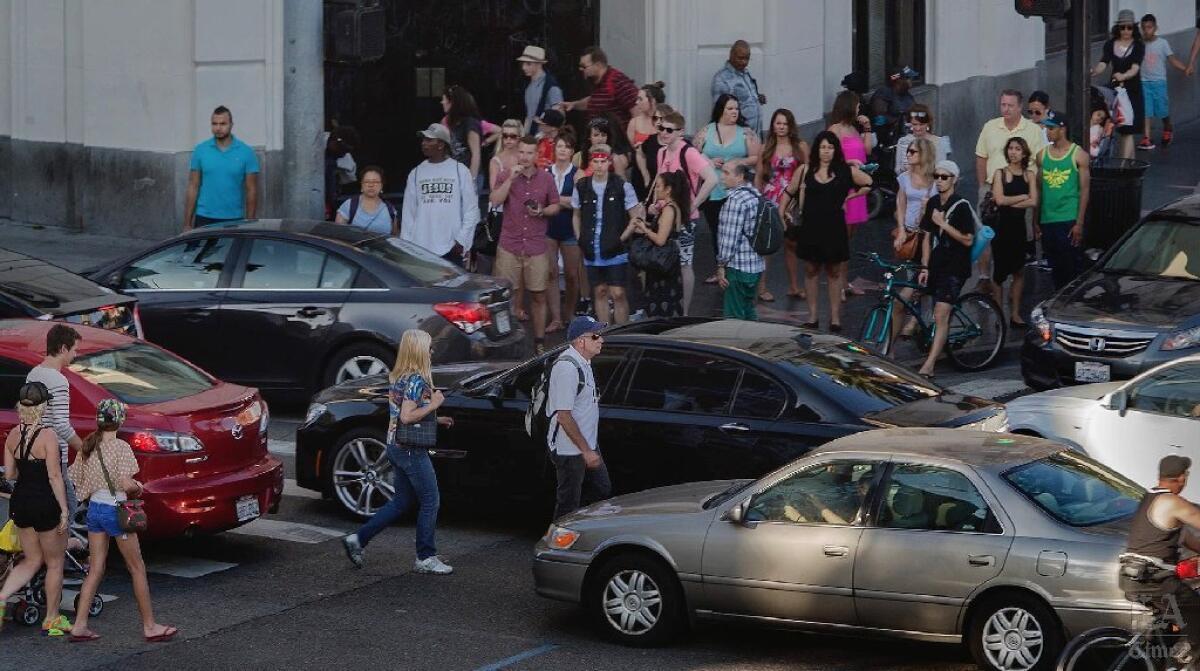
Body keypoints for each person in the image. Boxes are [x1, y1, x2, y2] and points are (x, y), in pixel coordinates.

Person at [342, 330, 454, 574]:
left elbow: (401, 415)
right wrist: (434, 405)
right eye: (428, 348)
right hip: (411, 450)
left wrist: (435, 418)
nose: (432, 352)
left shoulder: (400, 376)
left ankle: (358, 539)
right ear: (418, 351)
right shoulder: (417, 380)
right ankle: (425, 557)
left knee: (401, 501)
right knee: (430, 501)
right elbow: (407, 416)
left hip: (395, 445)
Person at [65, 399, 176, 643]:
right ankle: (149, 625)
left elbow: (74, 478)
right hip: (116, 512)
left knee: (95, 568)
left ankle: (80, 624)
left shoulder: (88, 445)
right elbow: (126, 485)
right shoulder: (121, 447)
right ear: (120, 421)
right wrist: (137, 486)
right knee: (137, 568)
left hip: (94, 510)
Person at [781, 131, 872, 332]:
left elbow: (868, 183)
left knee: (834, 271)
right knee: (811, 269)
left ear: (835, 150)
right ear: (817, 149)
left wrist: (850, 198)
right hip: (811, 227)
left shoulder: (844, 171)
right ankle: (813, 316)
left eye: (830, 147)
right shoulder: (806, 170)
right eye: (823, 147)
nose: (826, 151)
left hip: (834, 228)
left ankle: (835, 318)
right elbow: (789, 192)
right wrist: (780, 213)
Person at [0, 382, 71, 637]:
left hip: (21, 502)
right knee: (54, 562)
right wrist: (64, 509)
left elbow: (9, 474)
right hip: (45, 503)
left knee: (31, 559)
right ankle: (51, 619)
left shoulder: (12, 434)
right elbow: (54, 476)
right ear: (43, 406)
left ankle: (2, 597)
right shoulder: (48, 435)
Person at [1121, 455, 1200, 662]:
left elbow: (1188, 539)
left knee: (1170, 626)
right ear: (1182, 478)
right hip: (1155, 581)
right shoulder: (1172, 502)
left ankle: (1162, 662)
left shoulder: (1150, 498)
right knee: (1197, 619)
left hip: (1135, 578)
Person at [491, 136, 562, 353]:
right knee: (508, 295)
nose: (524, 157)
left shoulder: (546, 179)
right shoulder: (505, 174)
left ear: (537, 155)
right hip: (510, 245)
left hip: (535, 245)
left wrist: (542, 211)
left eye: (529, 153)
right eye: (521, 152)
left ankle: (539, 342)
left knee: (539, 295)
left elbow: (556, 205)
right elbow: (495, 200)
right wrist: (510, 180)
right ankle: (511, 342)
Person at [974, 89, 1044, 288]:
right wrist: (983, 187)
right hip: (991, 187)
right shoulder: (990, 127)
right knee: (986, 232)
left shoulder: (1033, 130)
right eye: (1003, 104)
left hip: (1021, 187)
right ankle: (984, 277)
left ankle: (1017, 278)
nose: (1006, 109)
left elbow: (1039, 162)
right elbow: (981, 157)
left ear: (1020, 107)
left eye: (1010, 105)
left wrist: (1033, 190)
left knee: (1019, 235)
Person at [546, 316, 611, 521]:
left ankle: (581, 530)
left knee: (602, 489)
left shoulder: (584, 362)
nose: (601, 340)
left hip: (586, 444)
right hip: (570, 449)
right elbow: (564, 416)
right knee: (568, 503)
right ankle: (557, 545)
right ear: (580, 341)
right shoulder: (567, 368)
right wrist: (586, 451)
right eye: (595, 336)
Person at [655, 110, 719, 316]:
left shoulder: (688, 153)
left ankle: (684, 311)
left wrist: (694, 204)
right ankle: (668, 304)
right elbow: (660, 184)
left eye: (668, 130)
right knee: (664, 260)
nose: (663, 133)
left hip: (684, 219)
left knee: (684, 263)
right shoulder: (661, 153)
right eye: (661, 128)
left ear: (680, 132)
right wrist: (656, 204)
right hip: (665, 215)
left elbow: (712, 178)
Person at [695, 94, 761, 289]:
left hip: (737, 189)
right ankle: (719, 267)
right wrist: (708, 161)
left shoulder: (746, 133)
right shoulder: (707, 131)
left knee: (737, 229)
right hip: (713, 189)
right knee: (717, 230)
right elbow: (694, 153)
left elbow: (755, 157)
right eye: (730, 108)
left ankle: (735, 267)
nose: (734, 112)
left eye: (736, 109)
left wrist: (739, 161)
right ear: (721, 110)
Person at [916, 161, 975, 378]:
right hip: (937, 263)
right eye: (937, 176)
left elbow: (968, 240)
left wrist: (943, 224)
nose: (939, 180)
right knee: (910, 296)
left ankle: (930, 365)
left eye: (944, 177)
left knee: (941, 313)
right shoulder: (933, 202)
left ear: (954, 180)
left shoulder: (961, 206)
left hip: (956, 265)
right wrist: (924, 266)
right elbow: (926, 236)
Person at [572, 143, 642, 325]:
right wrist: (580, 237)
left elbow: (635, 217)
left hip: (616, 249)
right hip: (591, 247)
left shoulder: (622, 185)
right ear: (591, 163)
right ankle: (604, 332)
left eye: (603, 161)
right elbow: (576, 214)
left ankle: (621, 331)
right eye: (595, 161)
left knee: (618, 292)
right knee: (599, 291)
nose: (599, 165)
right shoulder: (581, 186)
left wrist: (622, 238)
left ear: (609, 162)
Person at [26, 324, 83, 528]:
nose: (75, 355)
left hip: (34, 453)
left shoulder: (34, 374)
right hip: (56, 455)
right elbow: (61, 424)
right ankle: (60, 557)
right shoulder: (59, 381)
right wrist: (84, 449)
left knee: (46, 512)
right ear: (62, 348)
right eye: (74, 349)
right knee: (67, 507)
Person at [400, 124, 480, 267]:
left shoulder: (460, 171)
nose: (424, 143)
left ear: (441, 144)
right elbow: (408, 214)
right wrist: (408, 247)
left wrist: (462, 241)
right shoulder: (416, 173)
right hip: (420, 249)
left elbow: (471, 209)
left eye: (429, 140)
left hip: (451, 249)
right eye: (423, 140)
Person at [756, 108, 809, 301]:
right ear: (772, 125)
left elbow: (807, 172)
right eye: (778, 123)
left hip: (792, 201)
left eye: (785, 123)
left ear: (791, 125)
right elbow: (759, 175)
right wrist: (756, 199)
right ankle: (762, 287)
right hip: (770, 199)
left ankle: (794, 286)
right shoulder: (766, 147)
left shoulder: (800, 146)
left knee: (792, 244)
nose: (781, 127)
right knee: (767, 245)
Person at [1034, 110, 1090, 290]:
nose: (1048, 132)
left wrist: (1079, 223)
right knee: (1055, 267)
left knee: (1071, 267)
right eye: (1047, 128)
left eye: (1051, 128)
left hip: (1068, 219)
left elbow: (1085, 190)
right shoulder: (1042, 155)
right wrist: (1036, 221)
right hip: (1048, 219)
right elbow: (1039, 190)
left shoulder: (1078, 154)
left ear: (1062, 129)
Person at [827, 91, 874, 299]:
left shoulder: (854, 130)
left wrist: (867, 128)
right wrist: (849, 165)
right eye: (856, 106)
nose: (858, 110)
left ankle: (844, 282)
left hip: (857, 187)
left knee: (849, 239)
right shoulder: (835, 130)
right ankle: (837, 283)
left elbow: (868, 150)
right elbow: (831, 158)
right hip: (843, 187)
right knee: (840, 239)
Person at [890, 137, 937, 344]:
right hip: (910, 233)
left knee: (921, 280)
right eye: (908, 151)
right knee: (912, 276)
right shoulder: (904, 178)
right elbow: (900, 204)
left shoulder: (934, 181)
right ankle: (914, 319)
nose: (908, 155)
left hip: (927, 235)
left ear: (923, 155)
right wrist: (901, 230)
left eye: (912, 152)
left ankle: (923, 320)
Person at [183, 105, 260, 230]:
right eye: (214, 124)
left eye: (223, 124)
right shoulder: (200, 150)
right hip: (204, 217)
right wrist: (187, 223)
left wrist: (250, 223)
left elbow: (251, 190)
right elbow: (193, 186)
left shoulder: (246, 153)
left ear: (231, 125)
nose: (218, 128)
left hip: (234, 219)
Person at [990, 138, 1038, 328]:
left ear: (1024, 153)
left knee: (1019, 271)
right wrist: (1022, 197)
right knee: (999, 274)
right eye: (1010, 148)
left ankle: (1015, 313)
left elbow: (1034, 201)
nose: (1013, 152)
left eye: (1018, 149)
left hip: (1019, 229)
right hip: (1001, 228)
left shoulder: (1030, 175)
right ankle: (999, 313)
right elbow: (999, 200)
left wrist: (1015, 201)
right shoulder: (1000, 173)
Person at [627, 171, 687, 318]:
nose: (655, 190)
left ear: (668, 189)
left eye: (658, 186)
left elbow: (661, 239)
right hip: (664, 264)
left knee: (661, 306)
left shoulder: (669, 209)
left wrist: (643, 229)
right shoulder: (670, 208)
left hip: (663, 264)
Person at [1091, 10, 1144, 159]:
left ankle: (1124, 166)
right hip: (1116, 91)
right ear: (1117, 28)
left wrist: (1124, 75)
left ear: (1134, 28)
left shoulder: (1138, 45)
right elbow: (1104, 62)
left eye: (1129, 27)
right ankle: (1129, 165)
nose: (1126, 31)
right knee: (1122, 131)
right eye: (1123, 27)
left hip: (1132, 91)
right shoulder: (1110, 44)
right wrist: (1094, 71)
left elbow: (1135, 67)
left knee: (1128, 130)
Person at [546, 132, 585, 332]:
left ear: (572, 151)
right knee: (551, 273)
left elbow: (578, 202)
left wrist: (555, 199)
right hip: (548, 228)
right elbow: (542, 198)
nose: (562, 150)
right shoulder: (546, 171)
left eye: (567, 147)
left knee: (571, 274)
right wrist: (564, 200)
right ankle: (556, 317)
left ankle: (569, 313)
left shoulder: (577, 173)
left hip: (570, 228)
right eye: (559, 146)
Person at [715, 164, 764, 320]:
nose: (722, 176)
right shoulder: (756, 195)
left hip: (738, 268)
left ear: (740, 176)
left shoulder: (735, 201)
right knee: (749, 310)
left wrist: (721, 265)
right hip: (756, 266)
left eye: (727, 173)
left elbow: (729, 239)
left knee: (733, 317)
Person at [1137, 14, 1187, 149]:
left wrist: (1185, 68)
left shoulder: (1162, 43)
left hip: (1159, 82)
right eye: (1144, 27)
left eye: (1149, 27)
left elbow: (1172, 59)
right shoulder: (1139, 44)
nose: (1146, 30)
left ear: (1155, 28)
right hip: (1144, 82)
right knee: (1146, 111)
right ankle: (1147, 138)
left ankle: (1168, 128)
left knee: (1162, 111)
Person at [557, 47, 639, 128]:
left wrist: (632, 138)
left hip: (616, 138)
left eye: (584, 66)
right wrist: (574, 105)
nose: (580, 69)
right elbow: (593, 100)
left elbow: (637, 110)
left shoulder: (617, 81)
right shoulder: (596, 83)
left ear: (598, 65)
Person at [710, 40, 766, 136]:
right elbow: (720, 112)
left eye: (747, 58)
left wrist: (757, 97)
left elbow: (744, 98)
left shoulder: (746, 73)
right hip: (739, 136)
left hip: (756, 134)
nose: (744, 62)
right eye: (740, 58)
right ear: (731, 55)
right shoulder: (721, 78)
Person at [334, 166, 398, 236]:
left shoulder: (389, 209)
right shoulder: (349, 205)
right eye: (367, 181)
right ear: (361, 185)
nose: (371, 185)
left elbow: (394, 237)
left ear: (381, 185)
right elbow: (338, 236)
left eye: (375, 182)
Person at [627, 82, 665, 199]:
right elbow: (634, 149)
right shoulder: (634, 122)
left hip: (662, 167)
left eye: (640, 99)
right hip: (640, 169)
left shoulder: (665, 121)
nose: (636, 102)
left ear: (652, 101)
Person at [442, 85, 484, 186]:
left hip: (468, 175)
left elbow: (476, 155)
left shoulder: (470, 123)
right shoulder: (451, 123)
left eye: (444, 99)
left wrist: (471, 181)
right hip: (454, 175)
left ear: (452, 102)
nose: (442, 102)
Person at [517, 45, 563, 134]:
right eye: (523, 63)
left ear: (539, 64)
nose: (523, 67)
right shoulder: (528, 86)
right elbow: (529, 116)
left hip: (545, 138)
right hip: (532, 138)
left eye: (528, 64)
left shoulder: (551, 86)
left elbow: (559, 116)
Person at [868, 66, 919, 146]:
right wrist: (897, 120)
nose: (911, 81)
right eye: (908, 78)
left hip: (907, 136)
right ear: (899, 80)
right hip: (888, 140)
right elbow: (878, 120)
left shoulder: (907, 95)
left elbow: (915, 112)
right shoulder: (884, 93)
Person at [894, 105, 950, 175]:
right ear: (910, 124)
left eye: (921, 124)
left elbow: (941, 169)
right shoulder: (903, 141)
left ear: (928, 124)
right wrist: (905, 168)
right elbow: (898, 170)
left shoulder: (940, 142)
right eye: (915, 124)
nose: (918, 128)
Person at [580, 115, 633, 181]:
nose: (600, 139)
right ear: (589, 137)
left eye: (603, 135)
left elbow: (622, 184)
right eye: (596, 135)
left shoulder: (615, 158)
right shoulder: (581, 156)